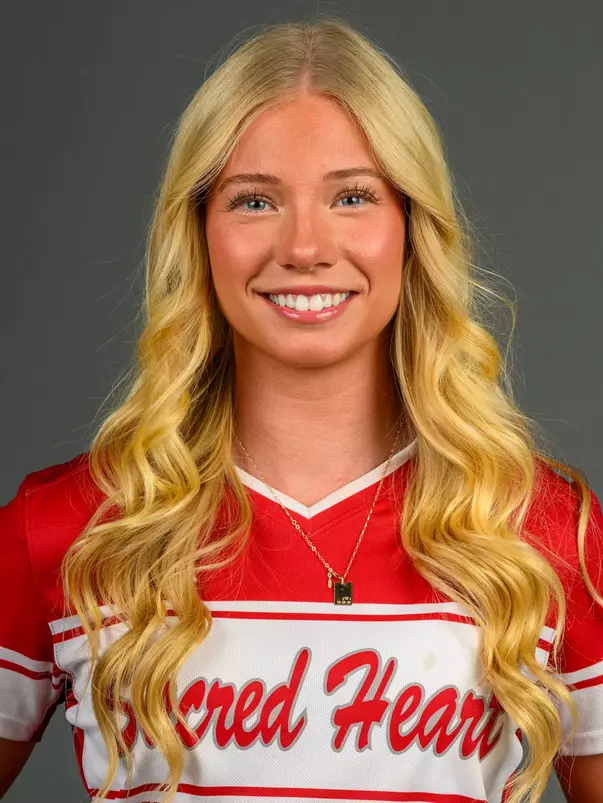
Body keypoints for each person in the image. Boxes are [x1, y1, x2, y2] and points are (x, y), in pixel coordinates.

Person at [1, 16, 602, 803]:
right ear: (199, 232)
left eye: (352, 196)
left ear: (411, 228)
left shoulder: (544, 534)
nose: (306, 246)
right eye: (254, 201)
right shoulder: (66, 528)